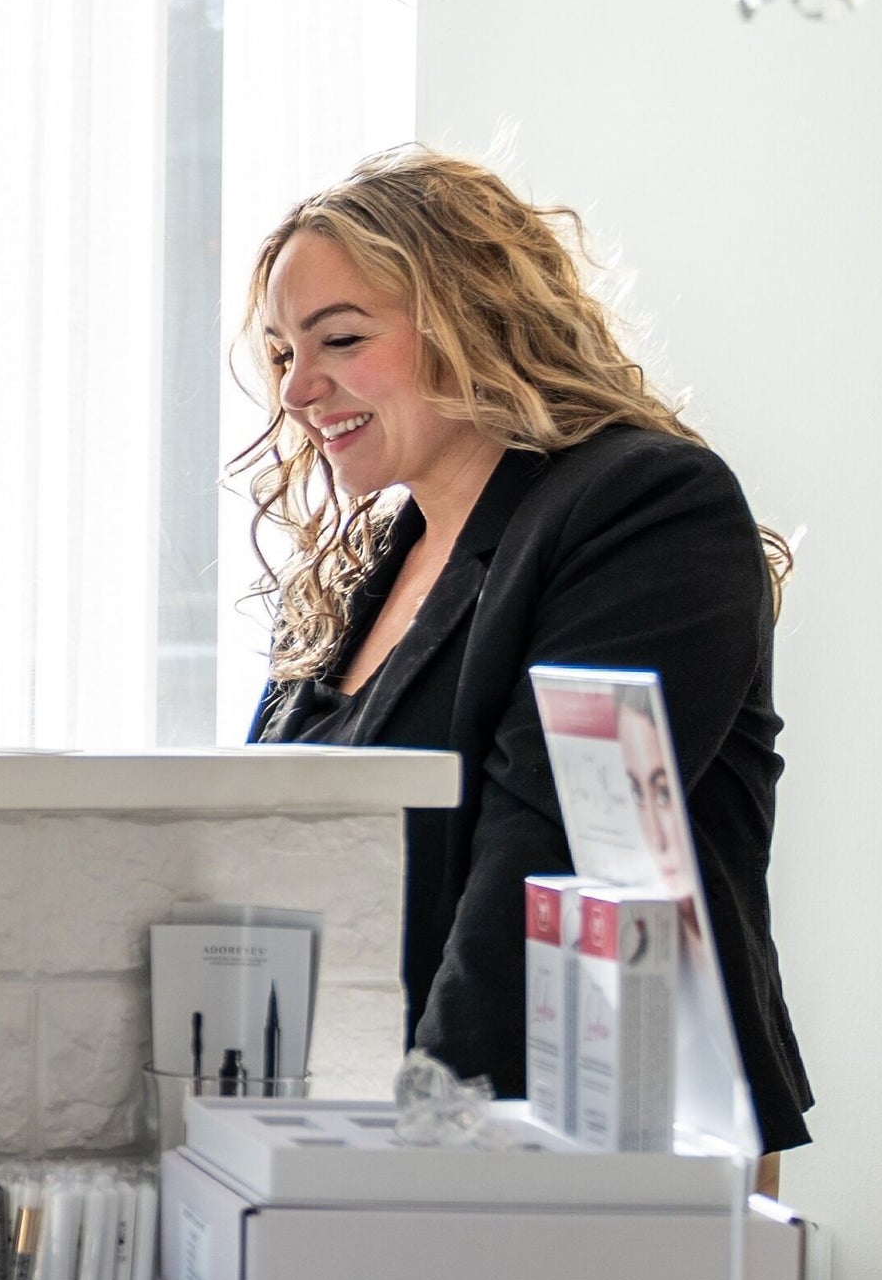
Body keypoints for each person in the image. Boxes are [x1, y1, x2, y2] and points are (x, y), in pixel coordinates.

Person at [241, 148, 810, 1152]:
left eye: (339, 337)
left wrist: (416, 1141)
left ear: (472, 315)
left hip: (590, 1138)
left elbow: (549, 849)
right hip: (372, 1124)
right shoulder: (369, 566)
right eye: (285, 352)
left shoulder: (645, 506)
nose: (299, 388)